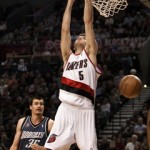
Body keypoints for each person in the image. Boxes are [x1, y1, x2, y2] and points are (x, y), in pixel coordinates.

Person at [42, 0, 101, 149]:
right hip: (65, 108)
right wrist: (69, 3)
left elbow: (88, 22)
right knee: (51, 148)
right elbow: (64, 30)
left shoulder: (91, 55)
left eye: (84, 36)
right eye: (79, 36)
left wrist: (88, 1)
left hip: (85, 110)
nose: (81, 36)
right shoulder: (67, 57)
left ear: (91, 44)